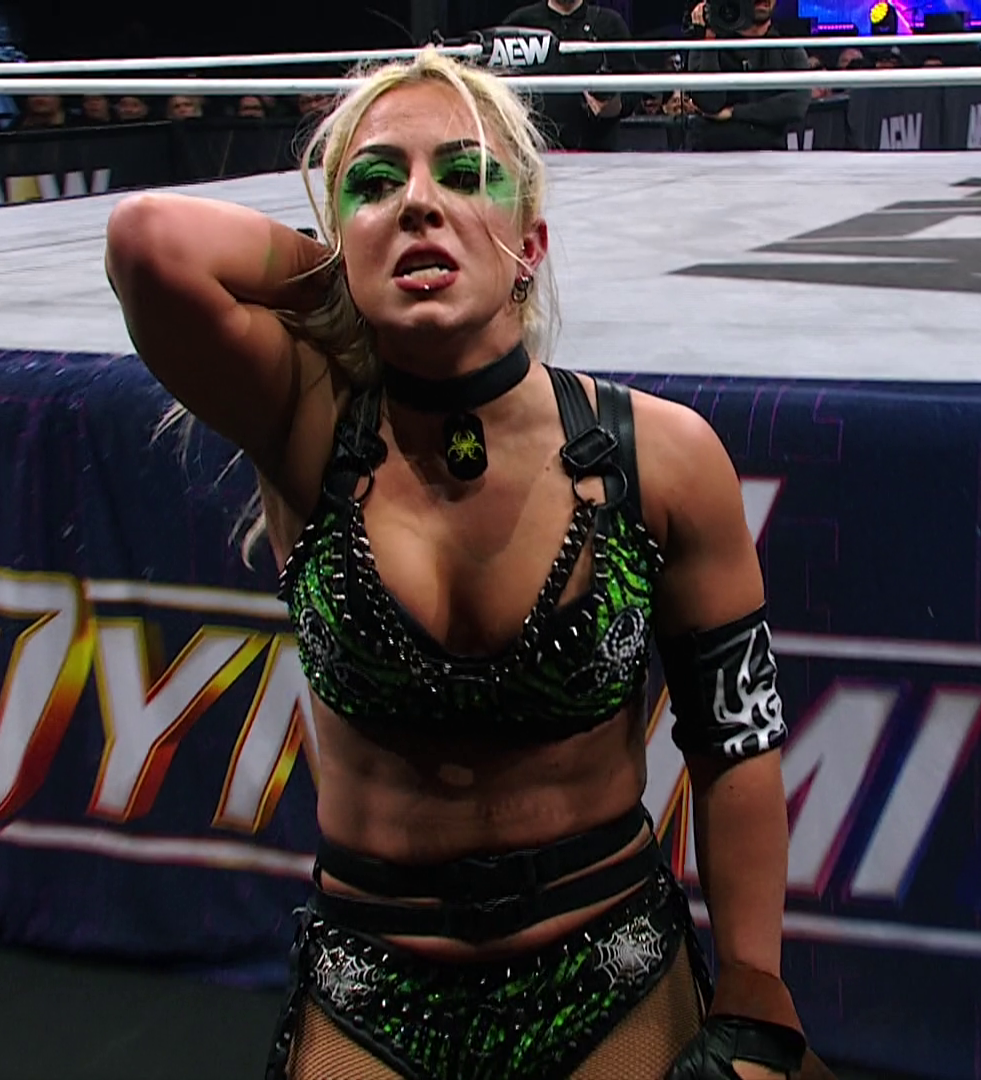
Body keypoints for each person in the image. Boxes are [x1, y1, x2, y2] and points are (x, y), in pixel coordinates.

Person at [106, 47, 822, 1080]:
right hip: (372, 977)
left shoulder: (662, 457)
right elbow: (148, 241)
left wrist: (755, 988)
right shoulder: (306, 426)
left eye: (463, 173)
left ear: (530, 244)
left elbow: (735, 740)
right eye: (375, 182)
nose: (417, 201)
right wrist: (352, 274)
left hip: (608, 962)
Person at [501, 0, 632, 151]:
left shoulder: (610, 24)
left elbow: (632, 90)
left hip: (596, 149)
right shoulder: (520, 23)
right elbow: (497, 84)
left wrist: (612, 105)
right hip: (533, 149)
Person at [681, 0, 811, 151]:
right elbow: (710, 103)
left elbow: (797, 104)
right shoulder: (710, 40)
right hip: (711, 151)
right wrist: (710, 38)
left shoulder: (786, 46)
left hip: (769, 152)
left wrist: (734, 112)